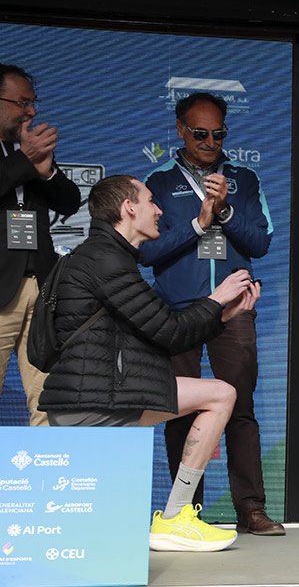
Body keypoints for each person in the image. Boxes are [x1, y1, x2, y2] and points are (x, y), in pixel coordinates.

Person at [37, 174, 260, 552]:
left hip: (101, 394)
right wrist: (218, 298)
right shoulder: (106, 260)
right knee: (221, 395)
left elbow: (161, 329)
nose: (158, 211)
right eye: (151, 202)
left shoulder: (106, 256)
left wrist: (221, 315)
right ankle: (175, 517)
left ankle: (175, 517)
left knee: (221, 394)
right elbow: (169, 332)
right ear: (129, 208)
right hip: (92, 401)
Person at [139, 92, 282, 536]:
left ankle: (251, 509)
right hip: (178, 311)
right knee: (178, 410)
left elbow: (260, 242)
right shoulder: (159, 181)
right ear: (180, 130)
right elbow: (147, 251)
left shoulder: (243, 178)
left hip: (234, 308)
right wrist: (198, 224)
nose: (209, 142)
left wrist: (226, 211)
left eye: (218, 134)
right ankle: (185, 511)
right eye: (200, 133)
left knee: (240, 407)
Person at [0, 64, 80, 427]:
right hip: (2, 289)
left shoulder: (27, 150)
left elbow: (69, 202)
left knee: (48, 398)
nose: (31, 112)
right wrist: (24, 160)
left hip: (42, 286)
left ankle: (49, 462)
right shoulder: (24, 153)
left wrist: (47, 172)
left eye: (33, 103)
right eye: (22, 103)